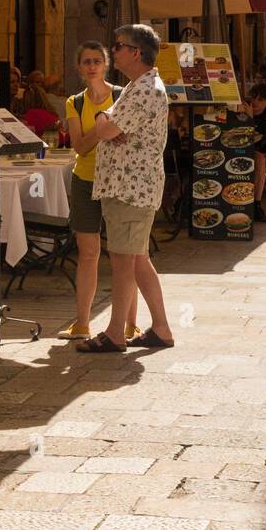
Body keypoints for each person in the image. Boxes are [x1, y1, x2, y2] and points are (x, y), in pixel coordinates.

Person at [76, 24, 174, 353]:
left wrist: (107, 124)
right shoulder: (138, 85)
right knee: (137, 259)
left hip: (130, 189)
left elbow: (107, 128)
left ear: (135, 53)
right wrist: (107, 121)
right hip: (129, 187)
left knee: (123, 260)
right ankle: (161, 328)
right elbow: (108, 122)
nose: (113, 51)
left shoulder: (147, 89)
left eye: (118, 46)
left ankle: (116, 332)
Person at [58, 43, 137, 342]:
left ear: (106, 65)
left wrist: (102, 130)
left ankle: (131, 323)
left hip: (118, 180)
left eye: (97, 61)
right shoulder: (74, 103)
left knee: (126, 253)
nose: (92, 66)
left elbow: (128, 138)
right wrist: (105, 128)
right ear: (79, 67)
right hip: (85, 178)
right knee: (88, 252)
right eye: (86, 61)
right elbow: (80, 146)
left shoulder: (123, 94)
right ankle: (82, 323)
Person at [239, 82, 266, 222]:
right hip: (232, 149)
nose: (255, 102)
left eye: (260, 100)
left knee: (260, 158)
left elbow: (254, 139)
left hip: (252, 151)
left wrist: (250, 118)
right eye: (254, 98)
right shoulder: (240, 109)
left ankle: (256, 203)